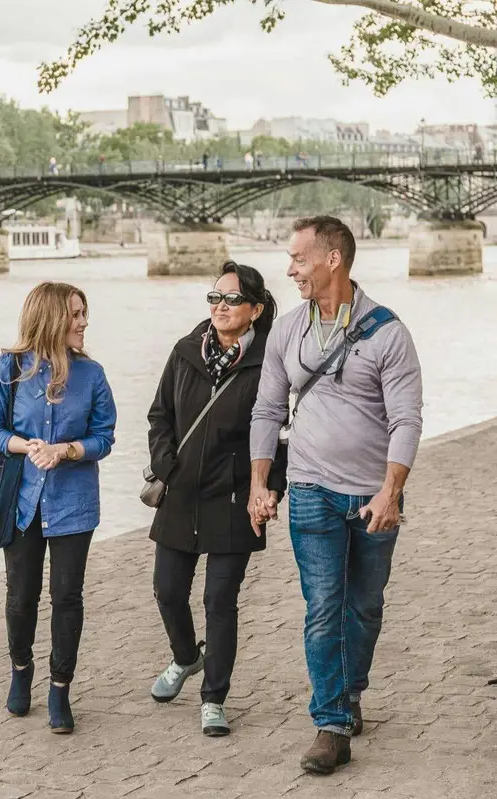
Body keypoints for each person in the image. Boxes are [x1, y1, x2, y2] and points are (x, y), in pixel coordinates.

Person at [249, 216, 423, 775]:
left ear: (332, 260)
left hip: (374, 497)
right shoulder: (288, 330)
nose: (290, 269)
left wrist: (391, 490)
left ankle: (349, 694)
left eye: (298, 259)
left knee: (364, 608)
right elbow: (269, 410)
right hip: (311, 490)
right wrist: (259, 484)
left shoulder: (388, 332)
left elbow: (406, 420)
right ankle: (330, 722)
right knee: (323, 607)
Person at [146, 261, 287, 737]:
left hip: (234, 499)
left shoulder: (271, 362)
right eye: (214, 298)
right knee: (167, 590)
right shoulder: (185, 351)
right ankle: (186, 657)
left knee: (219, 602)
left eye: (230, 299)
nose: (220, 307)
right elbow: (159, 414)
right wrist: (166, 463)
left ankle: (213, 698)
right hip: (181, 494)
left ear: (255, 309)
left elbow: (281, 435)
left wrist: (268, 489)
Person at [0, 281, 117, 734]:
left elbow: (104, 437)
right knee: (20, 597)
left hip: (74, 504)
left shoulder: (92, 376)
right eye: (75, 314)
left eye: (83, 313)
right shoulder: (9, 369)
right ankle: (20, 672)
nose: (83, 323)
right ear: (52, 318)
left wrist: (67, 450)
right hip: (21, 501)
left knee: (67, 597)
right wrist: (24, 445)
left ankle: (60, 688)